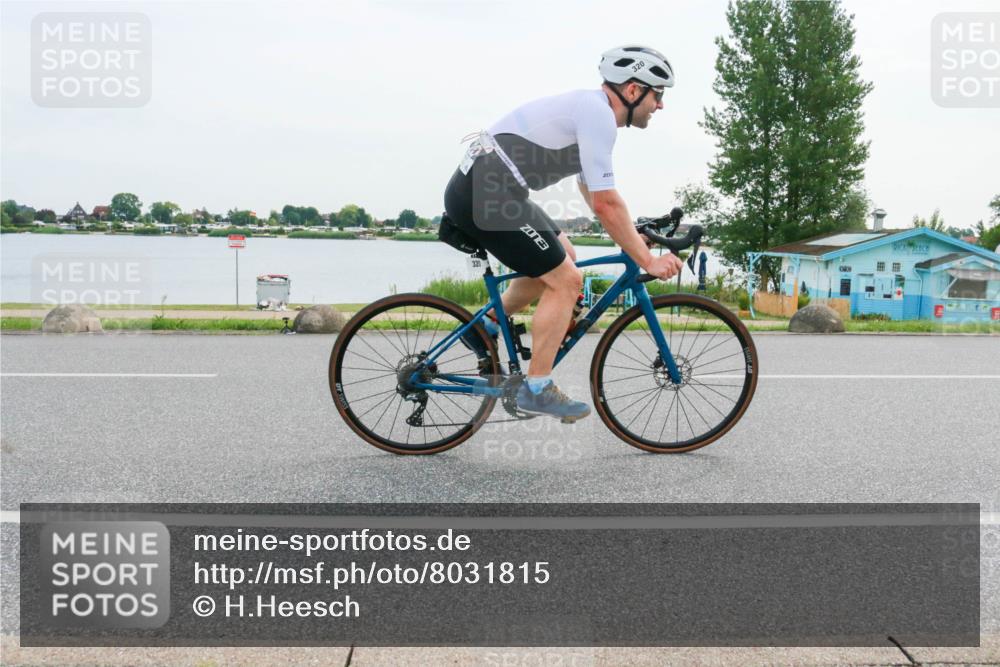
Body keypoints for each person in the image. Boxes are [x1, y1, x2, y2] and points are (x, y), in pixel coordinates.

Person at [443, 45, 684, 422]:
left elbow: (593, 191)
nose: (661, 105)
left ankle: (485, 327)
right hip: (487, 193)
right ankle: (537, 389)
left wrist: (633, 236)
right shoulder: (597, 115)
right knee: (566, 281)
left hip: (495, 190)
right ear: (633, 91)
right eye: (658, 94)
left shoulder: (593, 114)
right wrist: (647, 260)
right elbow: (605, 203)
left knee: (564, 258)